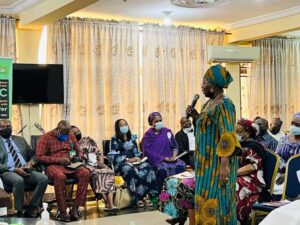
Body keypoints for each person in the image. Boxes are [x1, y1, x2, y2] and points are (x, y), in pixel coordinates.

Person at [186, 64, 240, 225]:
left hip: (217, 164)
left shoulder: (225, 104)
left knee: (218, 201)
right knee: (204, 198)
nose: (201, 87)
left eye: (204, 82)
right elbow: (207, 129)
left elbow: (227, 136)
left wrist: (224, 167)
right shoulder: (209, 103)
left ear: (213, 85)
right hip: (205, 164)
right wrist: (196, 117)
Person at [36, 120, 90, 222]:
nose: (66, 136)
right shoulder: (46, 138)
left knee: (85, 172)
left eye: (67, 133)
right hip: (53, 165)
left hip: (70, 164)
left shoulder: (71, 136)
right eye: (63, 134)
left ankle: (75, 208)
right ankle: (63, 212)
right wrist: (58, 160)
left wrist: (79, 155)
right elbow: (39, 157)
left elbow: (79, 150)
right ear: (57, 130)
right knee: (60, 176)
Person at [0, 119, 48, 218]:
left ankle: (32, 208)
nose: (6, 129)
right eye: (3, 127)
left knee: (43, 179)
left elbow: (33, 154)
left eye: (8, 126)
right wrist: (14, 169)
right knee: (18, 180)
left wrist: (31, 162)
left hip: (26, 168)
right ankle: (19, 211)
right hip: (8, 171)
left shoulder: (20, 140)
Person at [109, 119, 158, 207]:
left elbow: (136, 152)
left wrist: (138, 158)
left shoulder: (132, 138)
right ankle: (136, 198)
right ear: (118, 127)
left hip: (135, 162)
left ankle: (146, 196)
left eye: (125, 124)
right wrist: (128, 160)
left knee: (147, 166)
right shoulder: (114, 140)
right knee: (130, 170)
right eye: (121, 125)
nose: (124, 127)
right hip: (121, 163)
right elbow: (113, 156)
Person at [70, 126, 117, 211]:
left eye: (77, 131)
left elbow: (99, 153)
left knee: (109, 172)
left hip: (97, 164)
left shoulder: (88, 141)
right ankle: (106, 202)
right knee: (98, 174)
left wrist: (101, 163)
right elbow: (73, 159)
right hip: (85, 165)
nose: (76, 133)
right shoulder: (71, 145)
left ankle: (111, 204)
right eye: (73, 132)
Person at [142, 112, 186, 191]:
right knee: (161, 169)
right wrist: (163, 158)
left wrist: (174, 155)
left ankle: (179, 190)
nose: (159, 122)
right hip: (157, 160)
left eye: (160, 120)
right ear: (151, 123)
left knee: (181, 165)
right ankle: (163, 192)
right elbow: (148, 152)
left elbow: (174, 146)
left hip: (170, 159)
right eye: (156, 121)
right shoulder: (148, 135)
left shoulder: (167, 132)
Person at [235, 118, 266, 225]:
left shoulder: (252, 146)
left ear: (247, 132)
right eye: (235, 131)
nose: (236, 134)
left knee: (233, 185)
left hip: (252, 179)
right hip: (238, 175)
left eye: (239, 132)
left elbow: (253, 166)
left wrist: (232, 173)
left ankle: (240, 220)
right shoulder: (238, 144)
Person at [274, 112, 300, 195]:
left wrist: (288, 174)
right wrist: (282, 168)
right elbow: (278, 156)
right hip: (281, 173)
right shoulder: (284, 139)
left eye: (297, 124)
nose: (293, 126)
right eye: (292, 123)